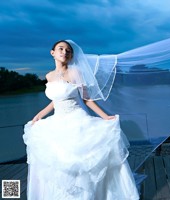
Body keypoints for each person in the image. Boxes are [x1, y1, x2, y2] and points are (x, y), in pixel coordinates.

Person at [23, 40, 140, 200]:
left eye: (68, 50)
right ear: (53, 53)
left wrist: (105, 116)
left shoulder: (75, 72)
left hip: (77, 121)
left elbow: (86, 99)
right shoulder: (49, 76)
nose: (65, 52)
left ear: (71, 56)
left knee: (81, 162)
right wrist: (39, 115)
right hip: (57, 122)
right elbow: (56, 100)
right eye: (61, 49)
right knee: (59, 162)